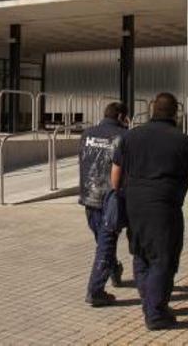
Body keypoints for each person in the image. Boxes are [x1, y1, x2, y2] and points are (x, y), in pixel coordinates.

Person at [111, 93, 188, 330]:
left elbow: (115, 175)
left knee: (141, 254)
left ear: (153, 110)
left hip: (134, 205)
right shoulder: (184, 141)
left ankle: (149, 302)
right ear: (175, 113)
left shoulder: (130, 137)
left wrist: (120, 195)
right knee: (163, 259)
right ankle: (155, 313)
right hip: (164, 208)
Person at [79, 102, 129, 307]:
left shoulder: (87, 133)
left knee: (103, 241)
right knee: (106, 243)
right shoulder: (124, 137)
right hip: (111, 197)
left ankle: (114, 270)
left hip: (89, 196)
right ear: (120, 116)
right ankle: (95, 291)